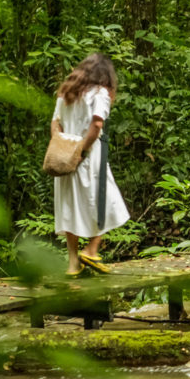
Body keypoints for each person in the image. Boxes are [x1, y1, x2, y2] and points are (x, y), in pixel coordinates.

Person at [51, 53, 130, 276]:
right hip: (89, 155)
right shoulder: (100, 93)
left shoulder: (66, 92)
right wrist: (83, 150)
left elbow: (55, 124)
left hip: (65, 155)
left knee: (70, 206)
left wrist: (63, 147)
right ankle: (92, 250)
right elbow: (96, 124)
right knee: (109, 201)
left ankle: (73, 263)